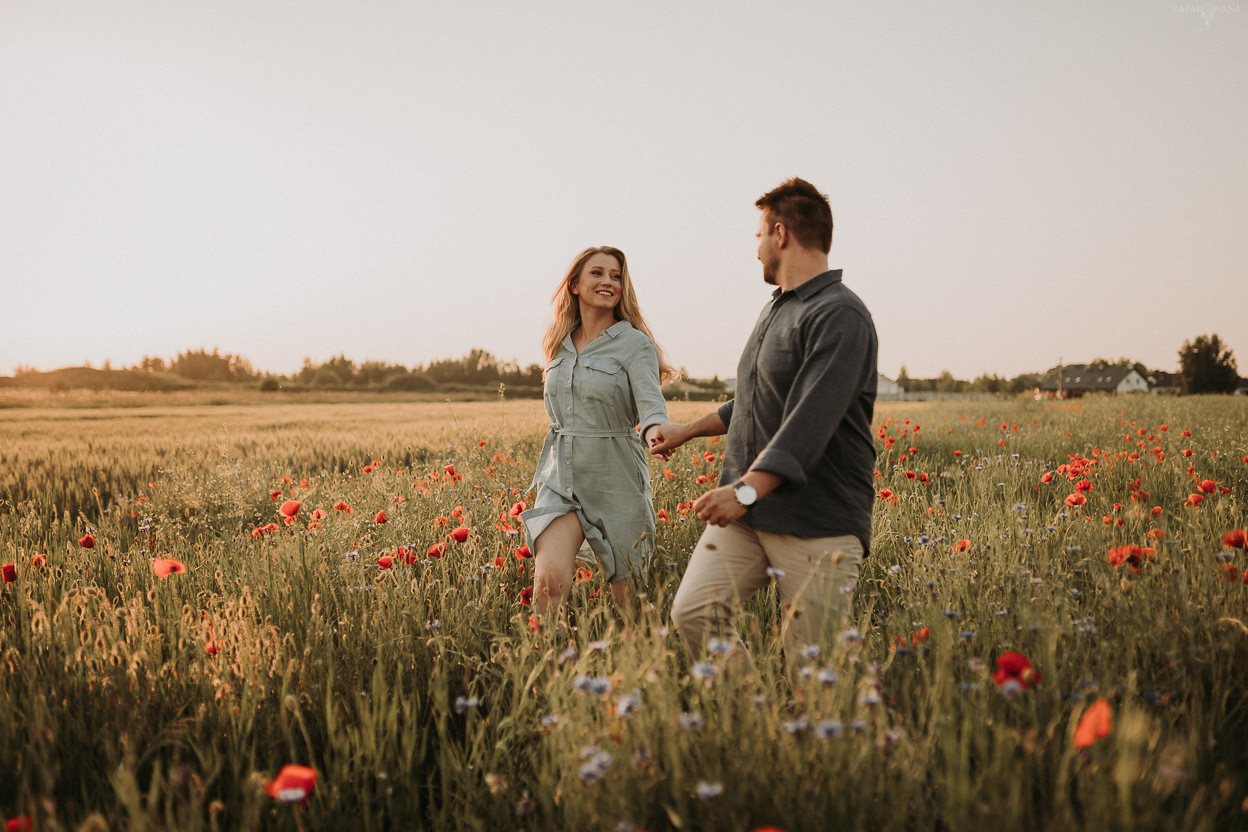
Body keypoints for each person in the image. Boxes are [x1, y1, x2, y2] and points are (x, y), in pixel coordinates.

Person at [649, 178, 878, 681]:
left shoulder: (840, 315)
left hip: (817, 523)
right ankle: (755, 726)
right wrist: (687, 429)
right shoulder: (779, 307)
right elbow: (755, 403)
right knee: (692, 615)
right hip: (750, 517)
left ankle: (815, 747)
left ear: (781, 234)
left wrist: (744, 492)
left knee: (812, 672)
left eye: (757, 236)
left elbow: (808, 423)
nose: (755, 250)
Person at [521, 246, 677, 620]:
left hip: (616, 480)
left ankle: (647, 665)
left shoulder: (635, 344)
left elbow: (650, 402)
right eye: (598, 273)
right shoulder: (558, 342)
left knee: (632, 604)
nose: (608, 281)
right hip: (562, 478)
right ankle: (551, 670)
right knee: (548, 585)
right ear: (574, 284)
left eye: (616, 276)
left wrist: (656, 429)